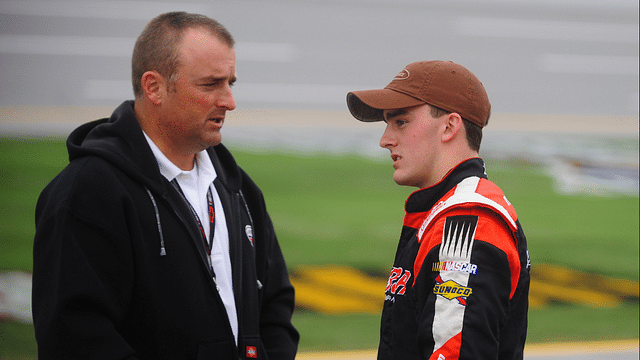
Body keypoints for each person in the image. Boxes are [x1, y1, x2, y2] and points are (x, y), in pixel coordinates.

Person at [32, 12, 299, 359]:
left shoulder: (238, 189)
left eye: (231, 82)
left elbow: (274, 304)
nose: (229, 101)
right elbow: (75, 338)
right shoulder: (87, 193)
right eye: (211, 84)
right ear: (154, 87)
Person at [346, 61, 530, 360]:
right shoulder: (445, 211)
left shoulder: (467, 222)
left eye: (401, 122)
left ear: (449, 126)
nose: (385, 140)